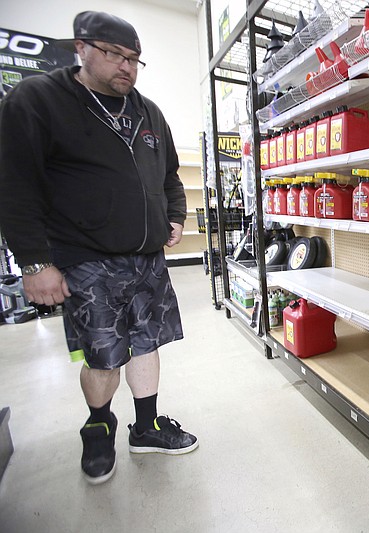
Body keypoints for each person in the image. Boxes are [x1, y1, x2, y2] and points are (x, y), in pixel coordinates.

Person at [0, 11, 198, 485]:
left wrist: (175, 214)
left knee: (149, 343)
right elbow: (14, 187)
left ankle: (146, 426)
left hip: (147, 258)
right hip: (85, 260)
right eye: (114, 55)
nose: (126, 67)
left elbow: (169, 173)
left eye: (134, 59)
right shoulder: (38, 100)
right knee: (105, 356)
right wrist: (34, 262)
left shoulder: (148, 111)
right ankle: (99, 424)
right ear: (81, 48)